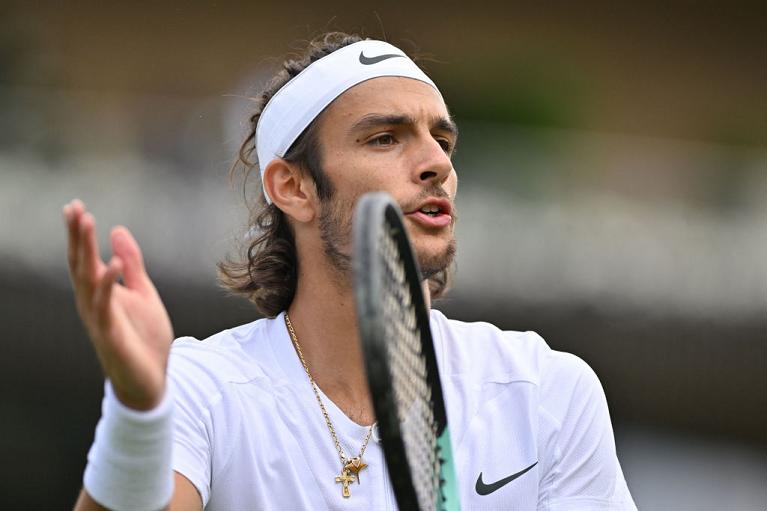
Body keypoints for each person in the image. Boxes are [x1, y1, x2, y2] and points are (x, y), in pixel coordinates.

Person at [64, 32, 637, 510]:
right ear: (294, 187)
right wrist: (138, 414)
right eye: (385, 138)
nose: (436, 163)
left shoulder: (546, 392)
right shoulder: (200, 388)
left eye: (442, 140)